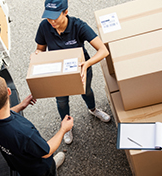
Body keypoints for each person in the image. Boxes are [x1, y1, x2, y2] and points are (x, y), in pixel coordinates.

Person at [33, 0, 112, 144]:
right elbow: (40, 49)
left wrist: (87, 64)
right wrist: (38, 54)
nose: (51, 21)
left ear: (66, 12)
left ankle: (93, 110)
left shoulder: (78, 25)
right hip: (58, 73)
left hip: (81, 69)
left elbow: (103, 50)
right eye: (48, 17)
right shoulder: (44, 27)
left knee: (87, 91)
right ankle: (66, 127)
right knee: (62, 101)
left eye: (55, 17)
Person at [0, 72, 72, 176]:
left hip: (18, 164)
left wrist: (21, 106)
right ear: (8, 91)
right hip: (40, 169)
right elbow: (46, 151)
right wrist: (63, 129)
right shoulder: (24, 132)